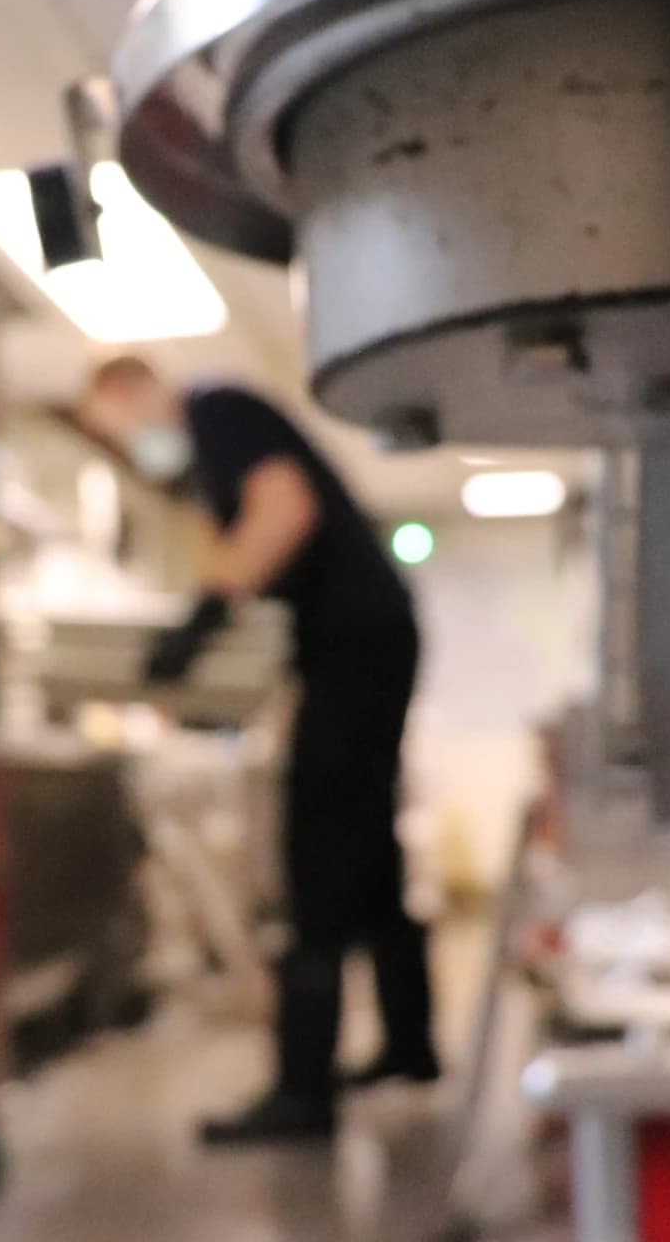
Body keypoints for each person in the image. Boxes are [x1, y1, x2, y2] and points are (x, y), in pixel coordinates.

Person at [79, 356, 436, 1146]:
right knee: (370, 859)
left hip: (354, 649)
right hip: (366, 644)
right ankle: (410, 1050)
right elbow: (237, 544)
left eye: (123, 427)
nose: (134, 443)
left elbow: (283, 512)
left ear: (137, 393)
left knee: (318, 860)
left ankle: (302, 1091)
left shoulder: (216, 405)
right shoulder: (208, 453)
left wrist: (203, 617)